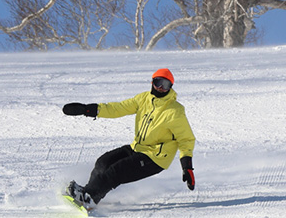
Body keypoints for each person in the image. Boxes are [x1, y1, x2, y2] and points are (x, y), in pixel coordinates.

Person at [62, 68, 196, 210]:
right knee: (103, 162)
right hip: (137, 148)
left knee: (116, 171)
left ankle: (90, 197)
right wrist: (88, 109)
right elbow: (119, 108)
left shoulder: (175, 111)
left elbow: (186, 139)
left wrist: (187, 166)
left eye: (166, 85)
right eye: (158, 83)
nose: (161, 88)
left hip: (156, 157)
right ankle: (88, 192)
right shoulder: (143, 99)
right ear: (152, 82)